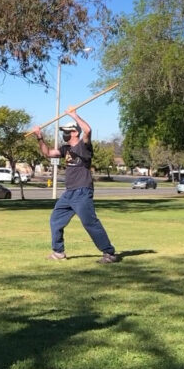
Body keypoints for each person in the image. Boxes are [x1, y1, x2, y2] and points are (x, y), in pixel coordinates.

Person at [31, 107, 120, 264]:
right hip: (69, 193)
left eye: (66, 131)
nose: (63, 133)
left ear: (74, 132)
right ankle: (58, 252)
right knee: (56, 220)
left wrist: (74, 115)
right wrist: (39, 137)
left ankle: (109, 253)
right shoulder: (66, 149)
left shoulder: (84, 146)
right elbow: (48, 153)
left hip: (82, 191)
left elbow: (88, 129)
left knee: (89, 222)